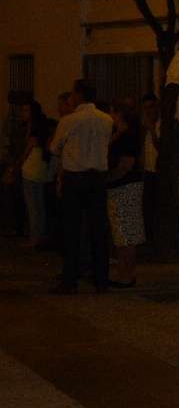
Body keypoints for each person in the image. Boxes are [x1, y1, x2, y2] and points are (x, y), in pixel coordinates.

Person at [49, 79, 113, 294]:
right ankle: (101, 279)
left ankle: (70, 279)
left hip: (75, 178)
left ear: (78, 95)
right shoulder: (106, 120)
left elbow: (54, 148)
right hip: (98, 179)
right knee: (98, 230)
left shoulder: (69, 120)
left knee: (72, 230)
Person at [107, 100, 145, 288]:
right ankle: (124, 272)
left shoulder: (128, 136)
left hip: (125, 186)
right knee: (121, 233)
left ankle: (127, 274)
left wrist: (109, 178)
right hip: (120, 186)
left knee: (126, 233)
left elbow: (126, 164)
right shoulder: (121, 134)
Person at [20, 100, 52, 247]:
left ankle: (34, 238)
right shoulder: (44, 126)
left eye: (26, 110)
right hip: (41, 168)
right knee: (39, 205)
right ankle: (41, 235)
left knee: (32, 205)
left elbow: (30, 146)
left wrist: (20, 161)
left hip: (31, 167)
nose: (23, 114)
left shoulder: (34, 127)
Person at [141, 92, 160, 243]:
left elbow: (162, 148)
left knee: (157, 208)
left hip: (159, 173)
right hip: (147, 171)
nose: (149, 111)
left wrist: (152, 129)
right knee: (147, 207)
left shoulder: (161, 125)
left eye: (151, 107)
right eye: (145, 108)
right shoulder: (145, 126)